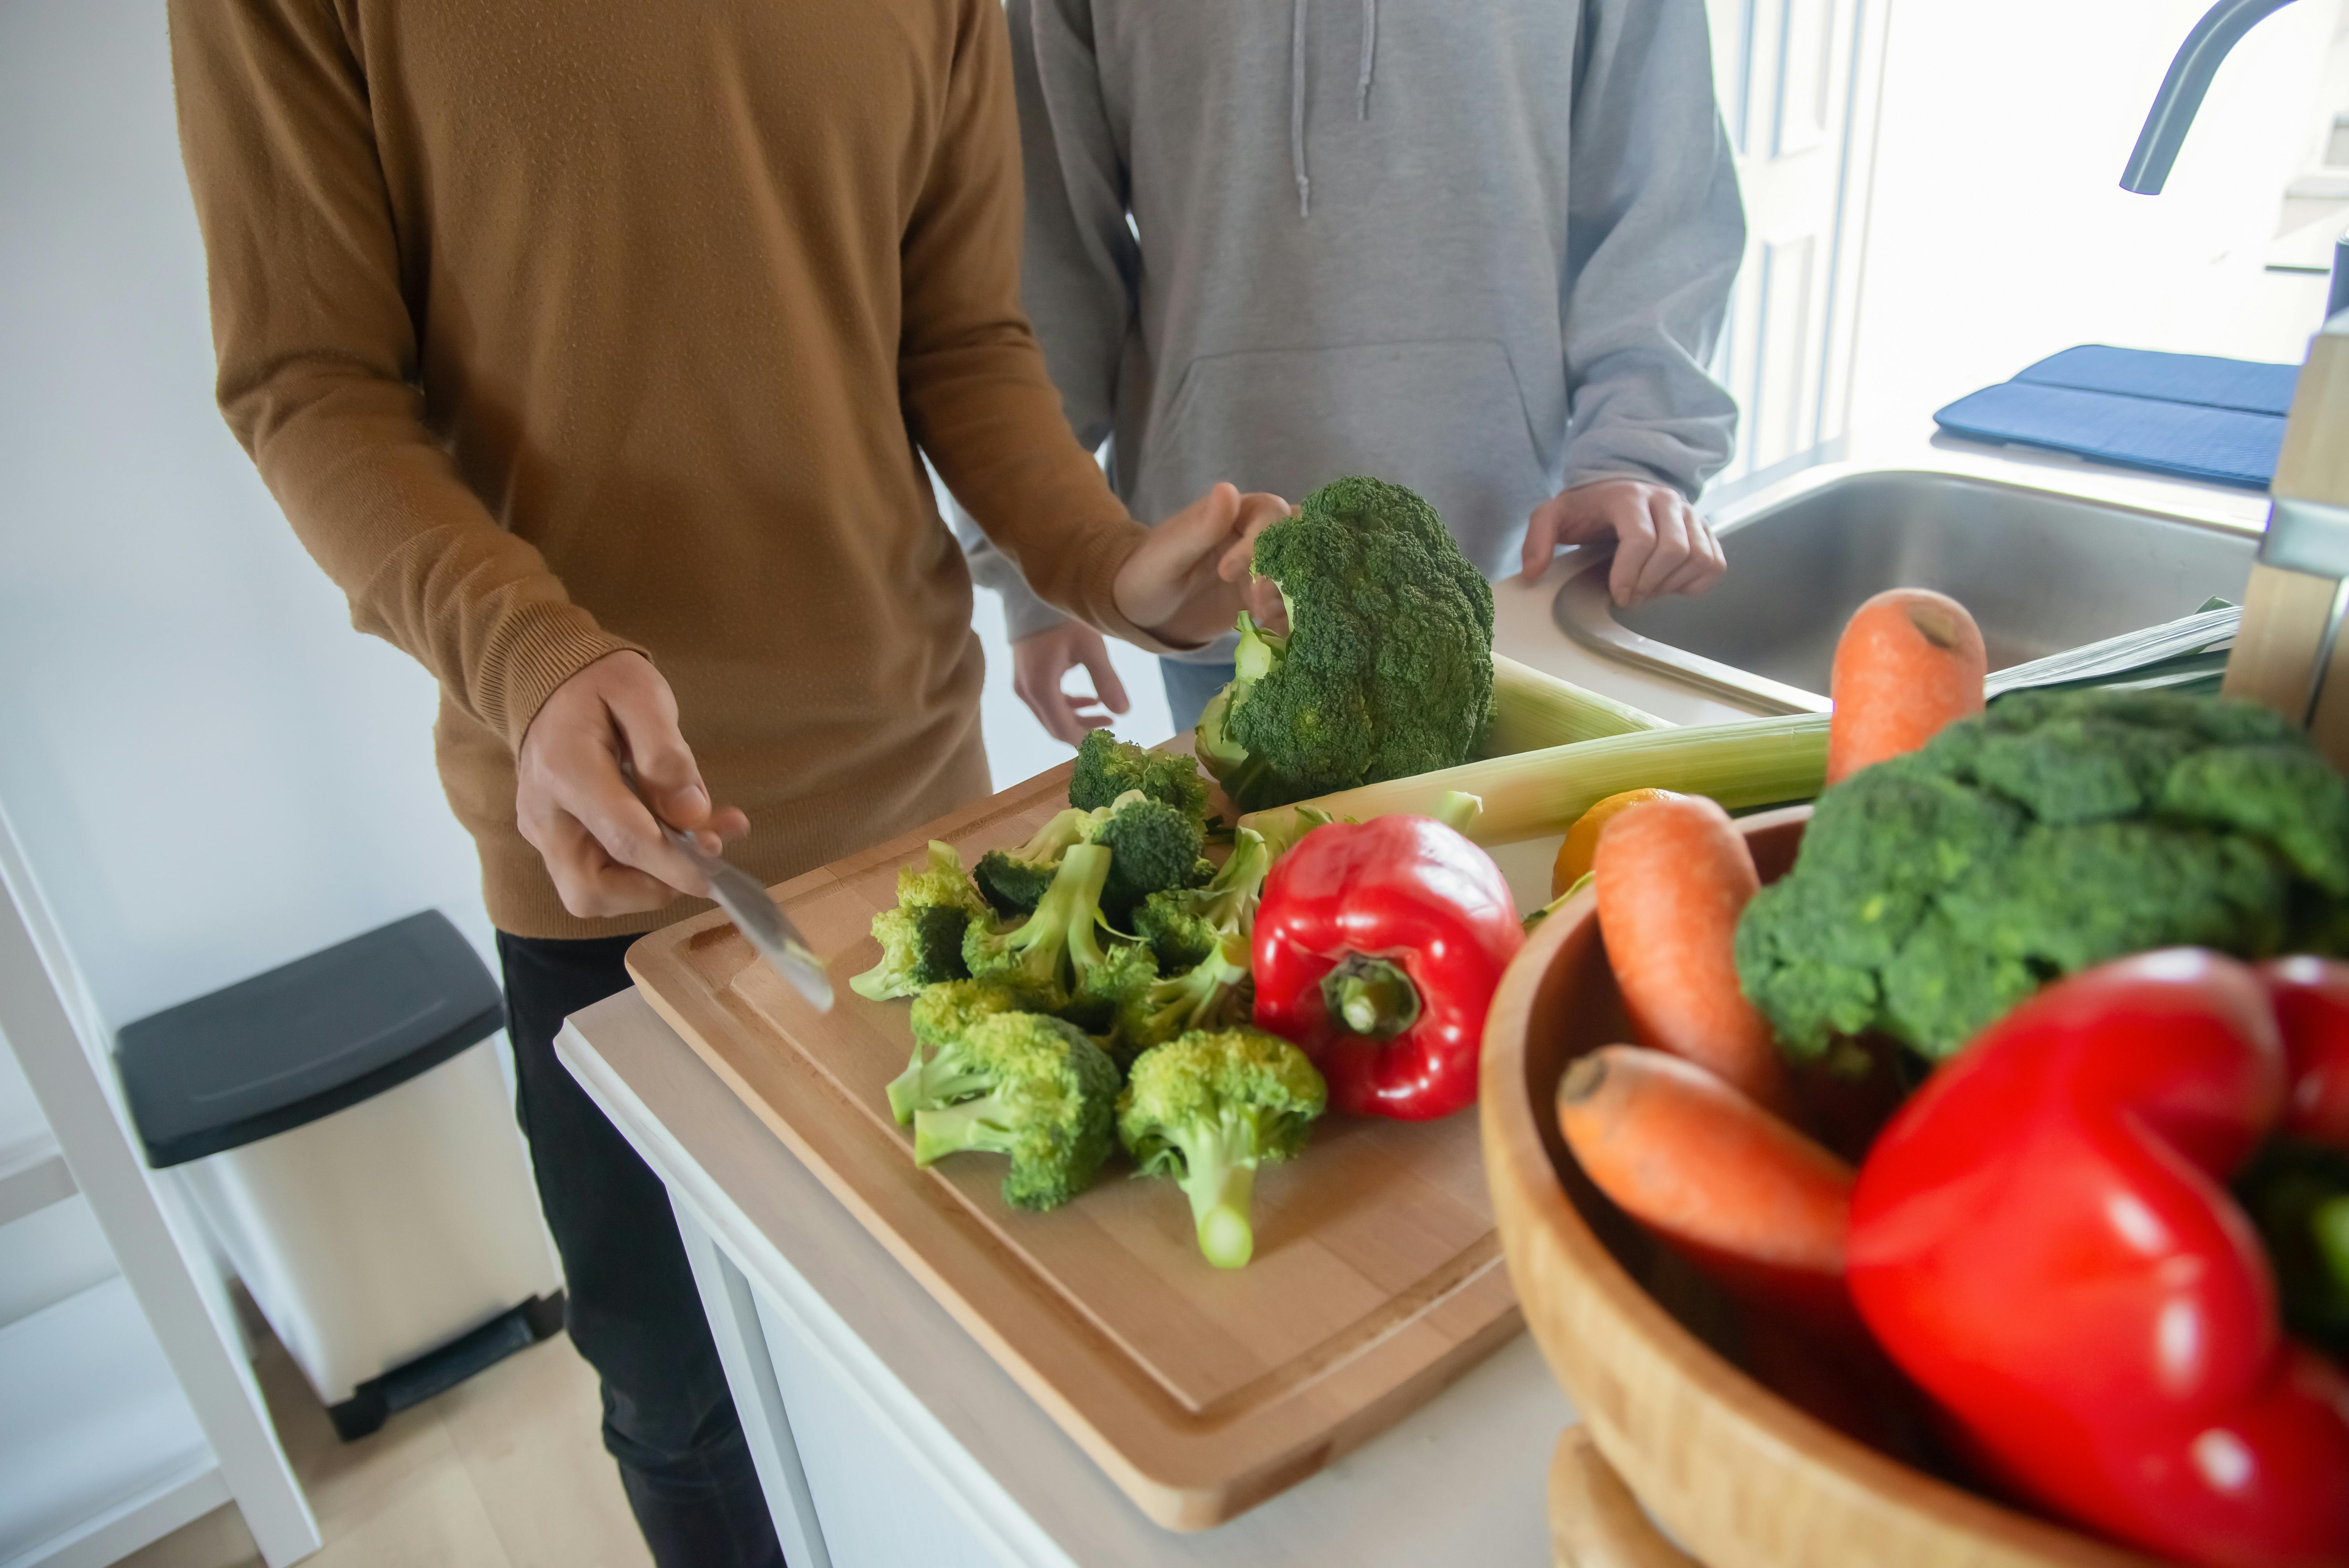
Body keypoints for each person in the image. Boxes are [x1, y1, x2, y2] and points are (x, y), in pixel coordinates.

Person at [166, 3, 1281, 1563]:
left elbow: (956, 339)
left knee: (963, 1360)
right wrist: (529, 652)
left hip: (925, 820)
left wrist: (1104, 557)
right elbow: (307, 379)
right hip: (605, 865)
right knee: (688, 1405)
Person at [961, 0, 1748, 742]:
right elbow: (1043, 240)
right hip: (1220, 585)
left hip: (1518, 575)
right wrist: (1036, 569)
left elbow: (1660, 186)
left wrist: (1639, 447)